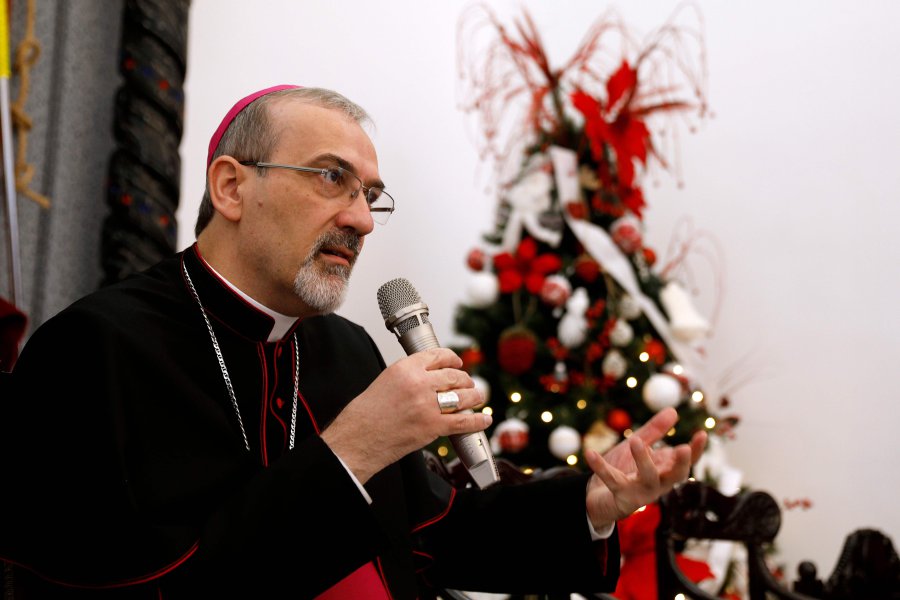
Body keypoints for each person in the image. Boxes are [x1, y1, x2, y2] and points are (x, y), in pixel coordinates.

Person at [0, 85, 707, 599]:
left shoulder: (343, 349)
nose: (363, 220)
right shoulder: (95, 350)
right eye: (333, 179)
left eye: (371, 194)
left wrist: (591, 504)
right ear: (232, 187)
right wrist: (354, 448)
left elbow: (436, 537)